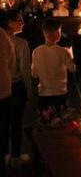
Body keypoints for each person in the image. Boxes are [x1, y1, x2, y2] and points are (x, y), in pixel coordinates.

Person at [0, 10, 31, 167]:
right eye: (19, 20)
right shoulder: (21, 43)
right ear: (10, 23)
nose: (23, 23)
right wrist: (30, 90)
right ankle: (16, 156)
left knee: (3, 125)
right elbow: (25, 70)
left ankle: (5, 155)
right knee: (16, 123)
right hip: (16, 86)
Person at [31, 19, 76, 124]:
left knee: (46, 123)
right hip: (60, 92)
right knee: (60, 124)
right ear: (56, 33)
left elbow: (34, 73)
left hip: (43, 93)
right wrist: (71, 55)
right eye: (60, 31)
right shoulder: (63, 52)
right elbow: (73, 69)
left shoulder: (36, 51)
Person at [0, 24, 14, 176]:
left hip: (3, 90)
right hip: (3, 91)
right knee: (3, 130)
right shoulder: (2, 35)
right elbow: (11, 60)